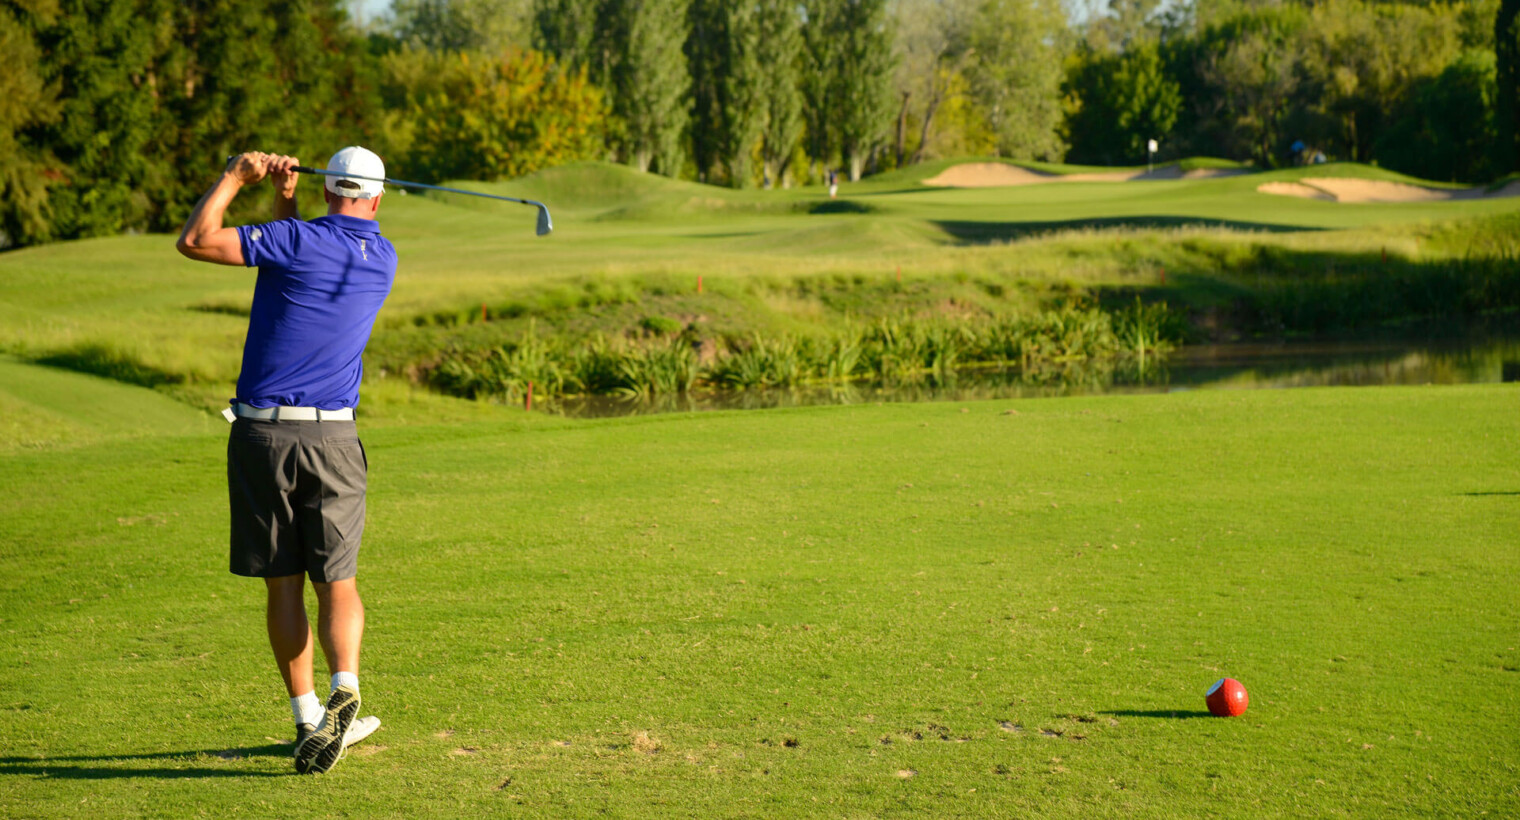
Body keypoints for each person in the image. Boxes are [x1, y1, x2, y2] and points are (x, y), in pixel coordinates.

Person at [175, 147, 397, 774]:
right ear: (377, 200)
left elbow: (195, 240)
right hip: (333, 440)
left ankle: (305, 718)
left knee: (283, 582)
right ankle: (344, 688)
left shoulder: (293, 239)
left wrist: (237, 177)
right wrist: (287, 201)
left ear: (328, 190)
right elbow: (299, 251)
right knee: (338, 581)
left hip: (263, 437)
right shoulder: (383, 257)